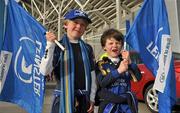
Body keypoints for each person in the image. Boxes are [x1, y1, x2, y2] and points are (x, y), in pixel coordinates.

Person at [40, 9, 97, 113]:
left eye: (83, 24)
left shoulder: (88, 48)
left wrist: (92, 98)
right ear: (65, 25)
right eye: (75, 22)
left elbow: (92, 75)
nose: (79, 26)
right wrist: (50, 45)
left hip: (84, 100)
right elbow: (44, 71)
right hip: (63, 99)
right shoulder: (57, 46)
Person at [95, 28, 139, 113]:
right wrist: (118, 71)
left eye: (118, 43)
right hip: (108, 106)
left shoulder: (125, 61)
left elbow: (137, 78)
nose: (115, 45)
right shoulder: (101, 64)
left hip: (126, 106)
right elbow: (103, 82)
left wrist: (130, 62)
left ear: (122, 46)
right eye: (111, 43)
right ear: (104, 47)